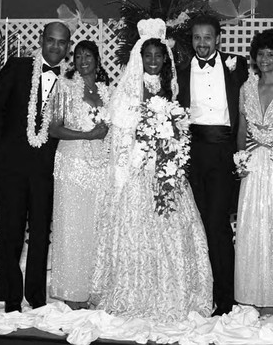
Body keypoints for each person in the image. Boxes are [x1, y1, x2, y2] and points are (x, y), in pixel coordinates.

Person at [91, 18, 213, 322]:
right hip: (137, 168)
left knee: (173, 229)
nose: (154, 61)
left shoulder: (170, 89)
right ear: (139, 57)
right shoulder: (126, 92)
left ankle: (175, 292)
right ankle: (134, 294)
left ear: (165, 59)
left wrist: (170, 144)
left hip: (166, 169)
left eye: (159, 56)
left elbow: (179, 127)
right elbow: (119, 135)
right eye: (149, 56)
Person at [0, 22, 71, 313]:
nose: (55, 47)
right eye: (51, 41)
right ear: (41, 40)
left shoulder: (70, 81)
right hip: (10, 164)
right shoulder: (18, 66)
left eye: (62, 43)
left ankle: (36, 296)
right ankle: (11, 298)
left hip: (46, 168)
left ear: (67, 47)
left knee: (39, 233)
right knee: (10, 231)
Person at [177, 14, 249, 316]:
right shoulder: (181, 70)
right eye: (197, 38)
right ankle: (201, 291)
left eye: (207, 37)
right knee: (198, 225)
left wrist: (242, 151)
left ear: (218, 39)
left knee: (218, 224)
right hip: (193, 153)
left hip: (223, 152)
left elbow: (249, 107)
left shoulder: (237, 65)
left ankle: (226, 296)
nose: (202, 43)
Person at [234, 29, 273, 311]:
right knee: (250, 228)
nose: (265, 59)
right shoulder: (247, 88)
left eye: (271, 54)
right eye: (261, 53)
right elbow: (242, 129)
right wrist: (240, 160)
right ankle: (249, 294)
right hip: (253, 165)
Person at [49, 40, 110, 309]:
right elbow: (54, 128)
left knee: (95, 228)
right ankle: (72, 291)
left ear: (97, 59)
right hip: (72, 164)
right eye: (79, 56)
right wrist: (87, 135)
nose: (83, 60)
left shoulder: (107, 91)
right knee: (72, 226)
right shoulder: (64, 87)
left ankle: (93, 289)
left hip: (100, 165)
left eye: (88, 56)